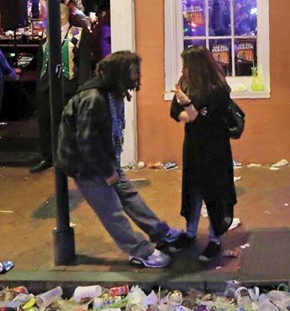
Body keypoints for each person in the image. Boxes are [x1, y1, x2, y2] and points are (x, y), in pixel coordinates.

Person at [57, 51, 182, 268]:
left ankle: (160, 232)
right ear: (119, 73)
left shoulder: (112, 93)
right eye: (133, 73)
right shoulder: (94, 98)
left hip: (104, 160)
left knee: (129, 196)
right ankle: (140, 252)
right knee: (111, 210)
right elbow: (87, 143)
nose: (137, 78)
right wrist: (107, 172)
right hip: (87, 166)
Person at [169, 45, 237, 262]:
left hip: (214, 148)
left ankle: (215, 239)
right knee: (193, 189)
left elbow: (203, 119)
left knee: (214, 192)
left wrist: (188, 107)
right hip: (193, 145)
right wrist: (189, 113)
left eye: (187, 65)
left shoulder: (217, 89)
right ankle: (190, 233)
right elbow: (176, 112)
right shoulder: (185, 83)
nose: (184, 69)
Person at [30, 1, 92, 173]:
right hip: (46, 86)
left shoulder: (79, 34)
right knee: (45, 122)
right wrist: (39, 83)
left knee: (67, 124)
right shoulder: (46, 34)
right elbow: (41, 61)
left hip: (68, 86)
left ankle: (69, 158)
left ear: (63, 15)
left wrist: (82, 86)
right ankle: (47, 157)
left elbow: (85, 62)